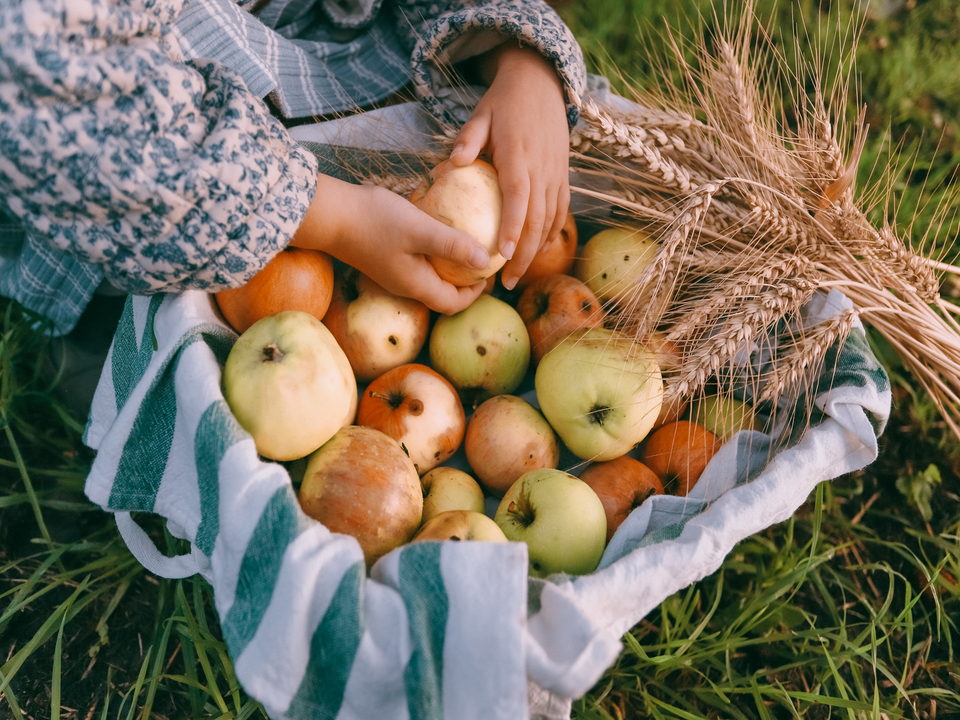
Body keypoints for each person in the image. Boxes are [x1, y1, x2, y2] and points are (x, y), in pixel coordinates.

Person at [0, 0, 587, 338]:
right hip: (155, 175)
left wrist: (522, 59)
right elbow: (50, 89)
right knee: (176, 323)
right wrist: (330, 218)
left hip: (321, 41)